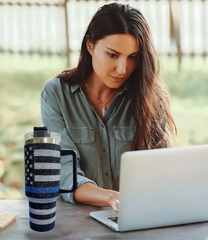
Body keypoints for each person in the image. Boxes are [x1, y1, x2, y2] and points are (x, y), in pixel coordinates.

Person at [40, 2, 177, 212]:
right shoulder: (56, 94)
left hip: (136, 215)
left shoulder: (149, 97)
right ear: (90, 46)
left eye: (133, 57)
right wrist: (109, 197)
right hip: (75, 220)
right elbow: (63, 170)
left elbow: (164, 168)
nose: (123, 69)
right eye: (112, 55)